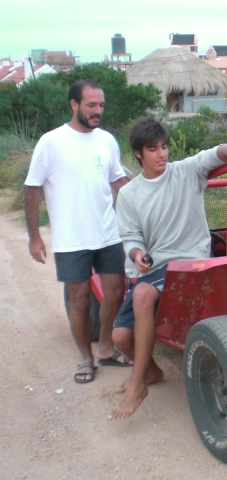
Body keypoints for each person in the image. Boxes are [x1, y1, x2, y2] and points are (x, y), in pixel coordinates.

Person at [109, 118, 227, 420]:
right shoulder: (130, 194)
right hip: (157, 266)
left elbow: (211, 154)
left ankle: (136, 384)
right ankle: (151, 373)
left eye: (165, 147)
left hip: (193, 261)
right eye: (153, 149)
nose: (162, 154)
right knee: (119, 339)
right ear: (139, 154)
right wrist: (137, 252)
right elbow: (129, 235)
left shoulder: (184, 172)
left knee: (142, 294)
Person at [24, 80, 130, 385]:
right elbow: (32, 189)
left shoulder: (107, 141)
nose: (98, 111)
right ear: (74, 104)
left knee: (115, 293)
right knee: (80, 300)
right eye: (91, 105)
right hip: (71, 239)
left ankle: (107, 347)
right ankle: (86, 357)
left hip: (108, 233)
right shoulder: (51, 141)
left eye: (101, 105)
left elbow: (119, 182)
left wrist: (148, 200)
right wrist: (34, 236)